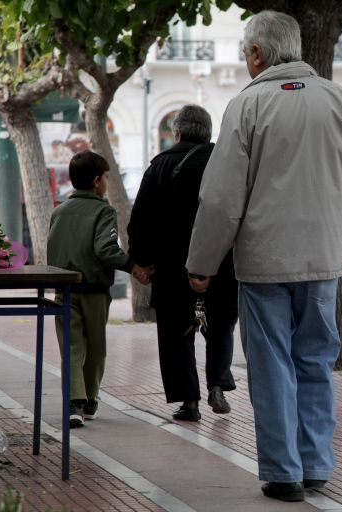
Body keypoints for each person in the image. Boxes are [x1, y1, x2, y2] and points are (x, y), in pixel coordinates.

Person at [185, 10, 342, 502]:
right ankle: (315, 465)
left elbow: (221, 198)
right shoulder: (340, 101)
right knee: (315, 360)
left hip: (265, 262)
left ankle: (282, 472)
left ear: (256, 53)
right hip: (324, 262)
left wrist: (201, 263)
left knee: (272, 365)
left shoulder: (247, 105)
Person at [127, 105, 237, 422]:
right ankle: (217, 383)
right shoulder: (225, 164)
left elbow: (140, 220)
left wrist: (144, 262)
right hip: (222, 265)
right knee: (220, 325)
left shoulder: (161, 166)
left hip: (174, 267)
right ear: (208, 132)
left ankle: (189, 401)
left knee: (176, 334)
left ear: (177, 132)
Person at [47, 150, 150, 428]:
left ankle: (73, 404)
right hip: (93, 290)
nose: (106, 182)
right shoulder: (104, 210)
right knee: (96, 348)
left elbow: (52, 248)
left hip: (63, 289)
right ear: (96, 181)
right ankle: (90, 399)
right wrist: (133, 267)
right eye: (106, 177)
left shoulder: (59, 211)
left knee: (71, 347)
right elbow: (105, 249)